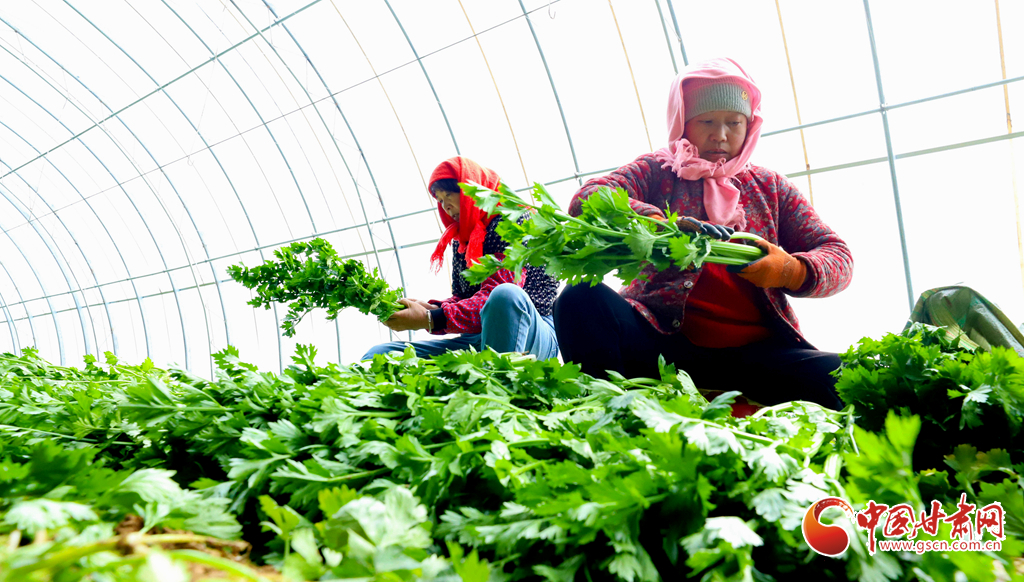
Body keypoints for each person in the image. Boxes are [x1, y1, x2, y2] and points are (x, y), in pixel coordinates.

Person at [553, 57, 853, 410]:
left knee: (847, 376)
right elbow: (590, 198)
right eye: (707, 121)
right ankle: (608, 411)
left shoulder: (770, 187)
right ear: (682, 122)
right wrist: (656, 223)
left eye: (734, 123)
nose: (720, 135)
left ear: (750, 125)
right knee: (579, 299)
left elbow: (837, 255)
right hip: (662, 346)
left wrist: (789, 270)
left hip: (759, 353)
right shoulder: (657, 170)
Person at [361, 156, 559, 361]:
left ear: (472, 190)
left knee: (505, 296)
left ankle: (498, 377)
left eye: (449, 195)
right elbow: (463, 299)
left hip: (532, 332)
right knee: (380, 354)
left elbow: (494, 300)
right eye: (440, 200)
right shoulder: (462, 238)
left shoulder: (514, 221)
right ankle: (487, 369)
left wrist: (429, 319)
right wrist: (431, 308)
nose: (446, 206)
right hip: (476, 337)